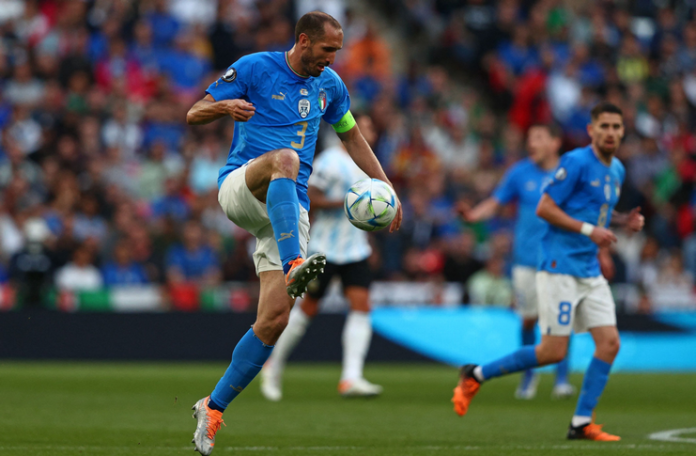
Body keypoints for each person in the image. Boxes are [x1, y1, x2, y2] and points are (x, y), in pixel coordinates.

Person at [185, 12, 401, 455]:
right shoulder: (254, 67)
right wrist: (225, 106)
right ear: (304, 41)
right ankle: (295, 264)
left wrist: (387, 188)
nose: (332, 58)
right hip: (243, 186)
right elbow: (193, 113)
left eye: (337, 51)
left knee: (274, 320)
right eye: (327, 50)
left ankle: (213, 406)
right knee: (287, 158)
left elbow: (353, 137)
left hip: (289, 211)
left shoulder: (330, 86)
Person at [451, 102, 644, 441]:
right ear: (591, 130)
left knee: (609, 343)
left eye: (616, 126)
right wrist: (590, 233)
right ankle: (475, 374)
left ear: (623, 130)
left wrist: (623, 221)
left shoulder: (617, 171)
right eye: (604, 126)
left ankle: (581, 422)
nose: (611, 132)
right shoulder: (576, 162)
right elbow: (545, 207)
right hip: (558, 266)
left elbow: (594, 212)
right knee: (552, 350)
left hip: (587, 267)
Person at [260, 115, 383, 401]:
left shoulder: (367, 163)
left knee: (362, 306)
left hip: (356, 249)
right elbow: (310, 196)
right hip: (324, 249)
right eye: (367, 127)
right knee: (306, 311)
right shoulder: (330, 161)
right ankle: (273, 366)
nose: (372, 132)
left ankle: (351, 378)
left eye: (372, 128)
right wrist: (349, 204)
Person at [459, 124, 576, 400]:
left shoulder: (569, 173)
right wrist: (474, 215)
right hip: (525, 260)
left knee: (560, 319)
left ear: (555, 142)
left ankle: (562, 379)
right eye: (529, 138)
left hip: (560, 259)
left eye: (538, 137)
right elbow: (497, 202)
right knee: (528, 320)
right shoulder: (519, 172)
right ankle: (529, 376)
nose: (531, 143)